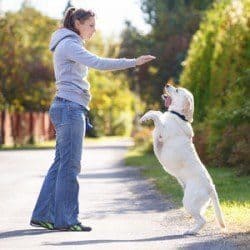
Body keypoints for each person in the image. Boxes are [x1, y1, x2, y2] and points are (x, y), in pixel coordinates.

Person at [30, 7, 155, 232]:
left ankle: (42, 215)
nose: (94, 31)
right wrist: (133, 62)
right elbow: (98, 63)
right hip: (69, 108)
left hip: (66, 106)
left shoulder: (67, 43)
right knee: (70, 165)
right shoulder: (69, 44)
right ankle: (66, 220)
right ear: (77, 23)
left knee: (61, 164)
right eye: (90, 26)